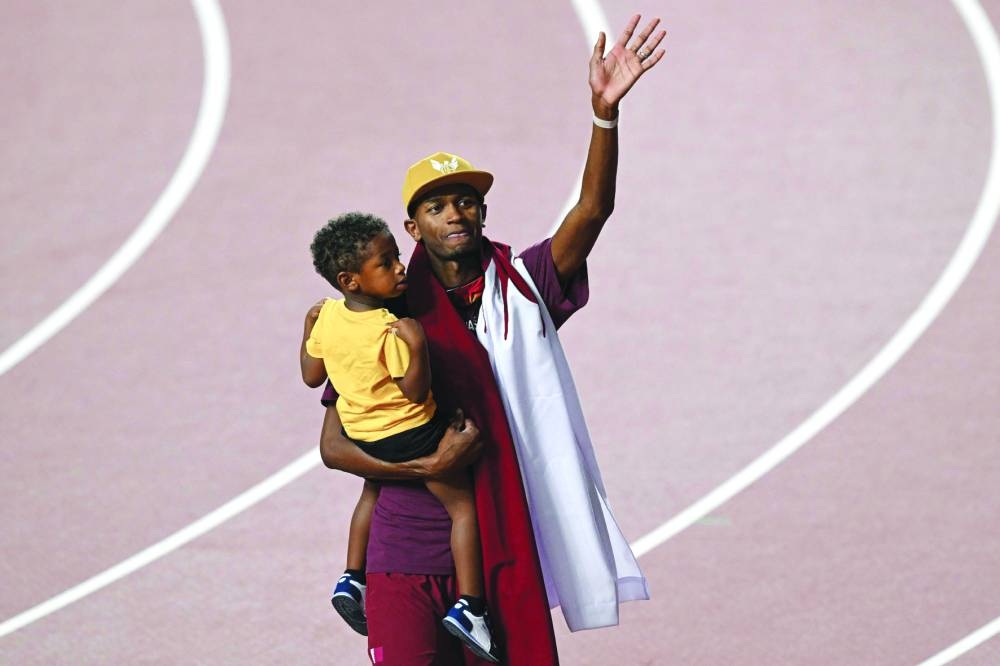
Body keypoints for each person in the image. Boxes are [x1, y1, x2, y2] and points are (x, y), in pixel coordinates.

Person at [315, 15, 665, 665]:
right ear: (413, 227)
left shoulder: (525, 286)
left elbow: (592, 211)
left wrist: (604, 118)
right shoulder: (379, 317)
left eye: (466, 200)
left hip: (503, 544)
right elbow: (333, 446)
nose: (455, 212)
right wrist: (422, 467)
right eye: (437, 204)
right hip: (405, 552)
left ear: (483, 211)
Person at [300, 213, 499, 662]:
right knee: (462, 509)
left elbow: (312, 376)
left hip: (364, 435)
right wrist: (417, 345)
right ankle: (471, 607)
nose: (400, 268)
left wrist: (308, 331)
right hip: (411, 434)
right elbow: (413, 390)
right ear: (351, 279)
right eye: (387, 263)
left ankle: (352, 575)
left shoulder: (328, 316)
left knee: (371, 493)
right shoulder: (387, 326)